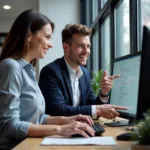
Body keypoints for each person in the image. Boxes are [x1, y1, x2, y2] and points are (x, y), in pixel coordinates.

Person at [0, 10, 95, 150]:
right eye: (47, 37)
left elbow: (37, 118)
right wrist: (60, 129)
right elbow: (10, 125)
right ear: (29, 35)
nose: (51, 44)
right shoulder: (11, 67)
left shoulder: (29, 70)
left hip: (32, 144)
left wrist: (69, 120)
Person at [39, 24, 127, 119]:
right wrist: (97, 110)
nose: (86, 51)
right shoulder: (50, 72)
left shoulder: (85, 74)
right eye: (81, 46)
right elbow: (57, 110)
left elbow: (92, 107)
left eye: (88, 46)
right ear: (66, 47)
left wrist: (104, 93)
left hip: (79, 129)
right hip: (59, 132)